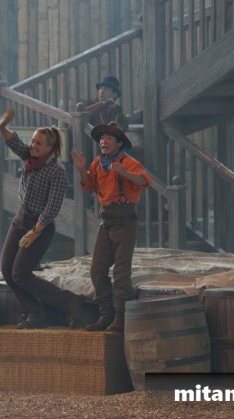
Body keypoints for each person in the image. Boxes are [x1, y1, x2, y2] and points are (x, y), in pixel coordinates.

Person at [0, 106, 85, 329]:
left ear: (50, 148)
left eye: (38, 143)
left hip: (41, 226)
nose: (33, 145)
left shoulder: (56, 172)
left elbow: (52, 207)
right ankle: (35, 312)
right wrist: (2, 127)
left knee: (20, 273)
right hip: (20, 220)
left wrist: (35, 231)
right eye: (33, 141)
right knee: (7, 271)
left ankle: (69, 301)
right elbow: (14, 142)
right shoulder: (29, 157)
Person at [70, 122, 152, 332]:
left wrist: (124, 173)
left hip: (125, 221)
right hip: (106, 221)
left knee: (121, 272)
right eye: (101, 138)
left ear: (118, 143)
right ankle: (105, 314)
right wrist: (81, 168)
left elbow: (144, 181)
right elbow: (88, 185)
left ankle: (121, 316)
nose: (103, 141)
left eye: (108, 138)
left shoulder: (128, 162)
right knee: (97, 270)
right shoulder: (98, 162)